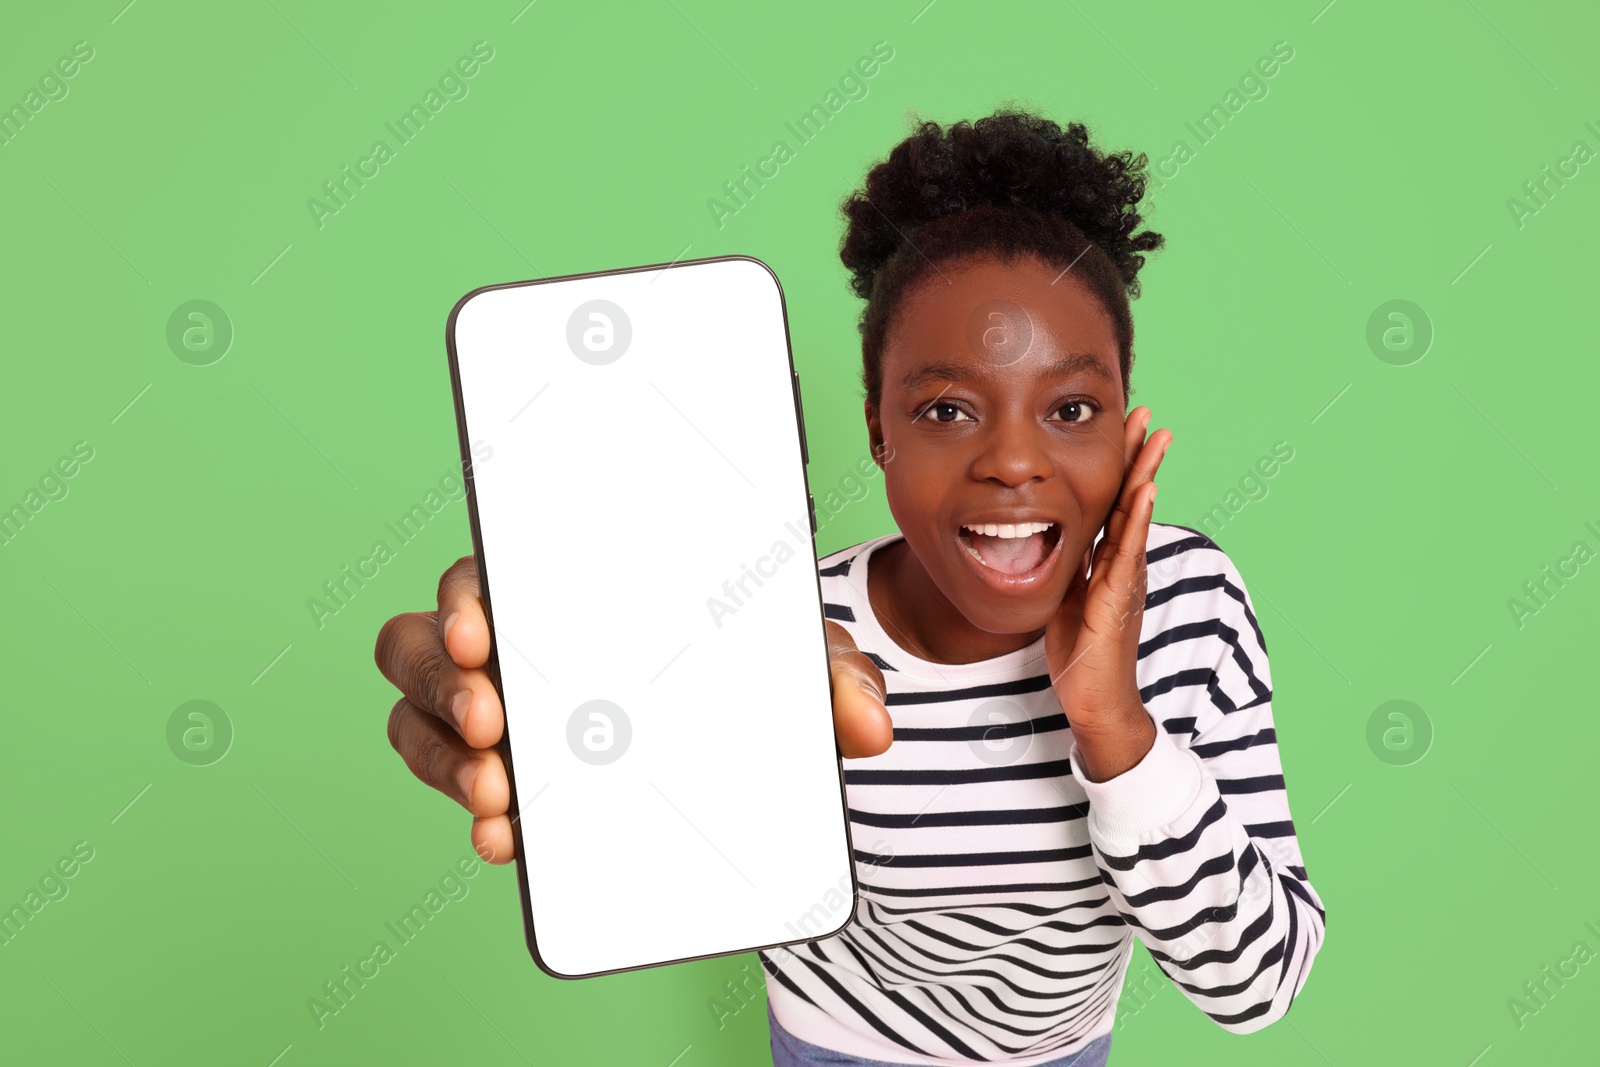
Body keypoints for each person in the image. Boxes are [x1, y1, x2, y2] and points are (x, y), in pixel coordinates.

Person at [375, 108, 1326, 1066]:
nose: (1011, 460)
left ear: (1126, 421)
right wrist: (558, 702)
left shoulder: (1186, 607)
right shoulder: (784, 630)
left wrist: (1115, 725)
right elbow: (656, 836)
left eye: (1072, 408)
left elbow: (1258, 983)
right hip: (832, 1046)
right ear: (878, 430)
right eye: (946, 409)